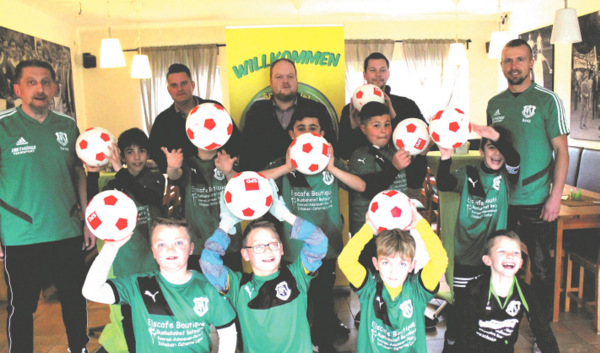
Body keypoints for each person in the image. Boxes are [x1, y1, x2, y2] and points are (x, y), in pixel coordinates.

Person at [0, 59, 93, 353]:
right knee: (22, 307)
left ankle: (78, 348)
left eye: (45, 82)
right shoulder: (3, 126)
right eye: (31, 82)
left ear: (54, 87)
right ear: (17, 89)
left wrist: (86, 218)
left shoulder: (68, 125)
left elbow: (78, 172)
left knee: (74, 300)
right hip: (20, 235)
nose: (40, 89)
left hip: (66, 230)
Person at [260, 108, 365, 352]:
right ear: (291, 134)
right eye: (301, 128)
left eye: (313, 128)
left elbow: (360, 185)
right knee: (295, 297)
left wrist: (331, 168)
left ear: (323, 133)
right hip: (294, 248)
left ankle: (324, 341)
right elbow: (253, 181)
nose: (308, 133)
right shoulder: (283, 164)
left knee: (322, 296)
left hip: (327, 246)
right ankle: (297, 342)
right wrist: (287, 167)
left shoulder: (333, 163)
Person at [486, 39, 569, 338]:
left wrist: (555, 196)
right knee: (503, 263)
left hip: (537, 201)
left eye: (520, 59)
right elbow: (493, 153)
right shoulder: (495, 104)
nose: (514, 66)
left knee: (543, 268)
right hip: (503, 201)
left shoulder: (548, 100)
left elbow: (562, 151)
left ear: (532, 62)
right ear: (502, 65)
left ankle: (540, 328)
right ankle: (503, 321)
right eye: (508, 61)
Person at [200, 188, 328, 353]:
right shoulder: (238, 286)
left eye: (273, 244)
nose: (268, 251)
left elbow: (319, 242)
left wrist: (284, 214)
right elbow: (208, 262)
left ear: (281, 249)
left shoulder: (296, 276)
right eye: (258, 246)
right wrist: (225, 224)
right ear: (245, 254)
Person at [82, 217, 237, 353]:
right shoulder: (137, 285)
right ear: (153, 252)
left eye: (178, 242)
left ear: (191, 248)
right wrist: (111, 247)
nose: (170, 249)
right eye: (161, 244)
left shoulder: (207, 287)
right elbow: (91, 291)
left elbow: (227, 332)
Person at [435, 125, 521, 352]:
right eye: (492, 147)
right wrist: (445, 157)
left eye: (501, 148)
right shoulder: (469, 172)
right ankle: (452, 342)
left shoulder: (507, 177)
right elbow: (443, 184)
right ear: (481, 151)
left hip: (492, 257)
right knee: (460, 306)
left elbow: (513, 157)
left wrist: (497, 138)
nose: (498, 154)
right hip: (466, 252)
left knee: (485, 306)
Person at [85, 128, 164, 352]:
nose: (136, 156)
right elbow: (94, 204)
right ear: (122, 155)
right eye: (130, 152)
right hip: (125, 265)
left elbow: (145, 196)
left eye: (141, 151)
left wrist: (120, 170)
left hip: (152, 264)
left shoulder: (155, 179)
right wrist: (92, 173)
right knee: (127, 316)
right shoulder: (114, 185)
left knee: (155, 314)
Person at [338, 201, 448, 352]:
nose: (393, 271)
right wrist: (368, 229)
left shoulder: (418, 291)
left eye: (402, 264)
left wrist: (420, 224)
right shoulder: (368, 289)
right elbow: (345, 260)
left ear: (412, 266)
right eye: (386, 263)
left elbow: (440, 260)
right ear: (376, 264)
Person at [337, 52, 427, 194]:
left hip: (406, 183)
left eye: (382, 70)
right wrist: (355, 128)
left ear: (388, 74)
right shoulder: (350, 110)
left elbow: (424, 141)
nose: (378, 74)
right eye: (373, 70)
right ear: (365, 75)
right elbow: (345, 152)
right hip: (366, 186)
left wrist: (394, 118)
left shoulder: (406, 105)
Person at [457, 231, 559, 353]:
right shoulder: (475, 289)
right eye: (502, 251)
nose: (510, 255)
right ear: (487, 260)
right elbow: (464, 333)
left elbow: (542, 330)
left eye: (516, 252)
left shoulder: (526, 292)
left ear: (521, 262)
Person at [239, 58, 337, 171]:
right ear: (270, 81)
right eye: (279, 77)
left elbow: (332, 150)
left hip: (308, 186)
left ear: (296, 79)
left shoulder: (317, 109)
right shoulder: (257, 111)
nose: (285, 81)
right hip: (266, 183)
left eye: (290, 76)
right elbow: (246, 154)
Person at [162, 138, 242, 272]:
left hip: (229, 245)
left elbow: (242, 191)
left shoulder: (228, 161)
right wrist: (172, 168)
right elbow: (175, 175)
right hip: (198, 246)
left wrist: (228, 172)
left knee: (231, 288)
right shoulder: (187, 164)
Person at [148, 63, 241, 173]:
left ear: (192, 85)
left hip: (219, 176)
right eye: (174, 85)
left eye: (184, 83)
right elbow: (155, 155)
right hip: (183, 181)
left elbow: (235, 142)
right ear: (168, 90)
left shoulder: (214, 109)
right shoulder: (162, 121)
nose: (179, 89)